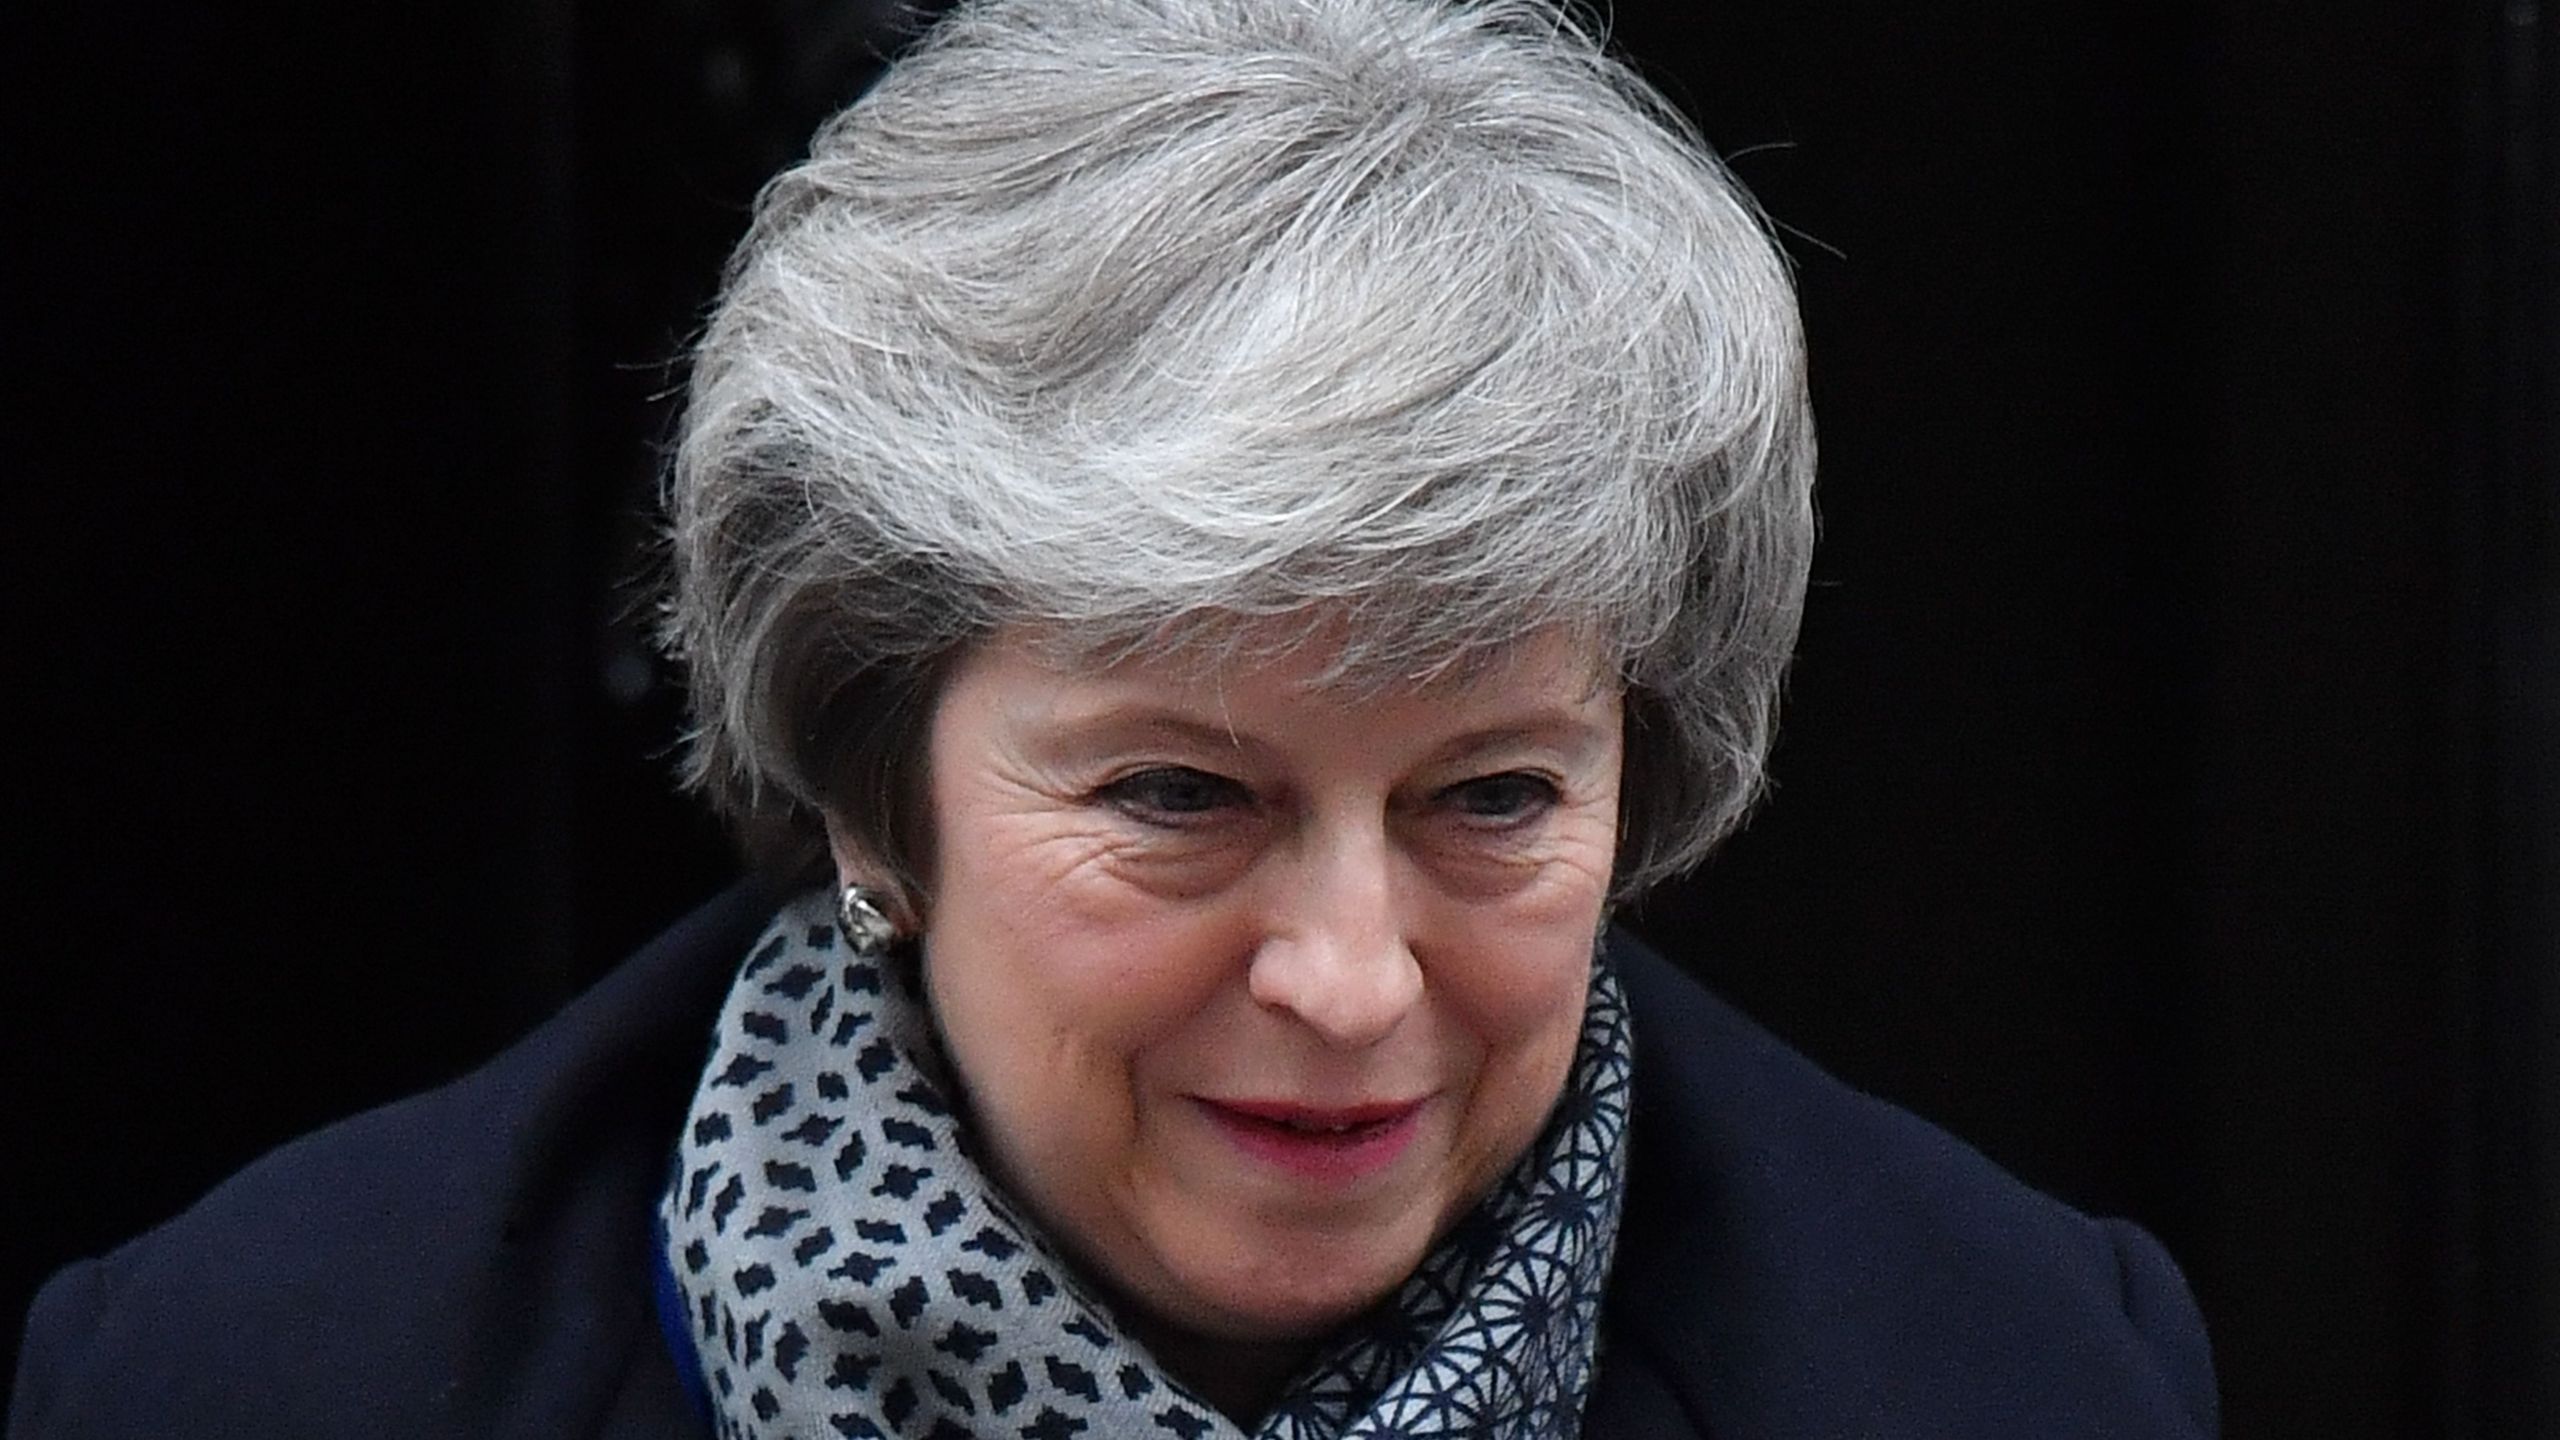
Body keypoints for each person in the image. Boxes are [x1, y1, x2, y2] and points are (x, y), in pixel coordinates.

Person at [8, 0, 2218, 1435]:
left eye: (1489, 796)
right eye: (1178, 793)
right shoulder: (256, 1378)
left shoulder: (2019, 1378)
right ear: (876, 781)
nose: (1349, 982)